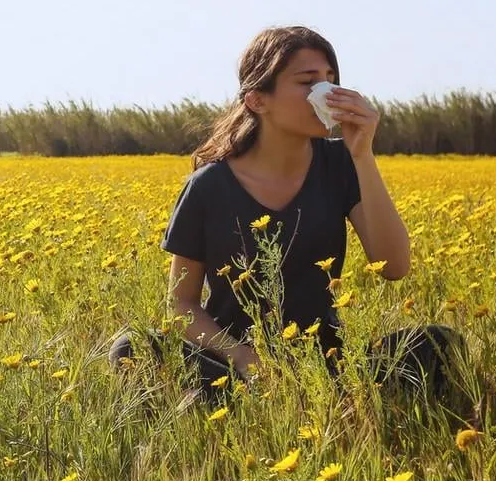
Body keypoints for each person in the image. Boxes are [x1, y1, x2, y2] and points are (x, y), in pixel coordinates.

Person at [107, 25, 467, 412]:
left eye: (331, 79)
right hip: (234, 364)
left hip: (330, 362)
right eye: (308, 81)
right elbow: (180, 305)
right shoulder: (208, 186)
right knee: (133, 347)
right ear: (258, 99)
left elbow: (395, 266)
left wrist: (363, 155)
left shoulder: (342, 164)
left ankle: (326, 403)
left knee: (440, 344)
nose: (326, 92)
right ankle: (254, 409)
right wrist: (248, 361)